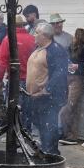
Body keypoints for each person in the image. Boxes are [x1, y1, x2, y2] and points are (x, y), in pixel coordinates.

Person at [25, 22, 69, 155]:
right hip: (35, 96)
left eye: (37, 33)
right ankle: (46, 150)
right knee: (41, 125)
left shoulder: (56, 50)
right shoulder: (38, 49)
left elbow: (59, 73)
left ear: (45, 35)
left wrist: (46, 90)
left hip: (48, 97)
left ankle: (51, 154)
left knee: (49, 126)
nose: (34, 35)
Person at [59, 28, 84, 145]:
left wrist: (76, 67)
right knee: (69, 107)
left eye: (76, 36)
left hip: (77, 79)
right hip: (71, 78)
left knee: (68, 107)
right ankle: (67, 133)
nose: (73, 38)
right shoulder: (72, 48)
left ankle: (70, 135)